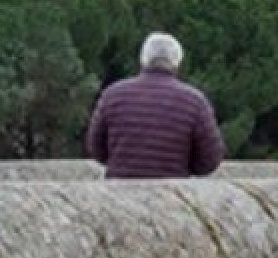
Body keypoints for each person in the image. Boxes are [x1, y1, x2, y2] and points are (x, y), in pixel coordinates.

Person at [85, 32, 226, 180]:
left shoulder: (112, 95)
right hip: (172, 191)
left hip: (120, 190)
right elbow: (210, 159)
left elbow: (95, 147)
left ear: (143, 59)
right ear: (177, 62)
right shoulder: (195, 101)